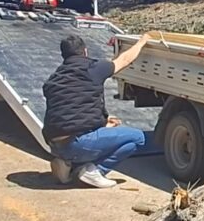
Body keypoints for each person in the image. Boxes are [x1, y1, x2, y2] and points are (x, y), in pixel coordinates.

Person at [42, 33, 154, 188]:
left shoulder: (54, 79)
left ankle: (67, 164)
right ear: (85, 51)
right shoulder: (93, 69)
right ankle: (95, 171)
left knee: (93, 135)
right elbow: (124, 60)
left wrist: (103, 122)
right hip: (78, 143)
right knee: (138, 138)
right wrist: (142, 42)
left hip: (55, 144)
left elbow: (71, 110)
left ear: (64, 55)